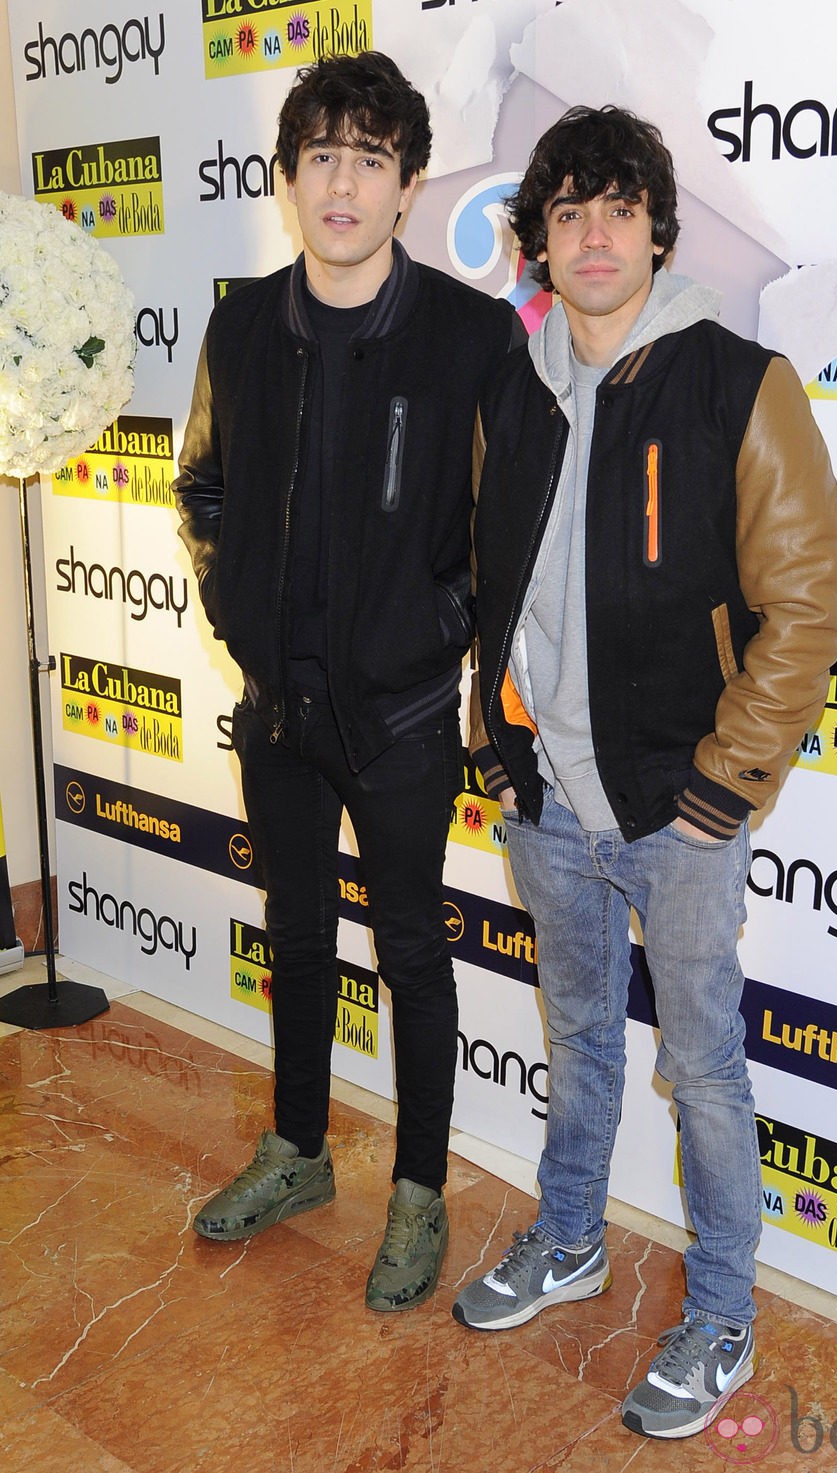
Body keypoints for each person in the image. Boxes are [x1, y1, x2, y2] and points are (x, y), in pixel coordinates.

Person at [452, 105, 837, 1436]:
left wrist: (719, 787)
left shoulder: (738, 383)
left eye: (620, 206)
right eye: (569, 211)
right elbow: (490, 584)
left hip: (682, 813)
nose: (596, 233)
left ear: (658, 230)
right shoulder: (508, 391)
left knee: (707, 1073)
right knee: (575, 1043)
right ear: (541, 244)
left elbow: (808, 607)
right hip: (550, 806)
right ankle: (569, 1240)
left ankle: (722, 1311)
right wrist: (499, 749)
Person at [174, 51, 522, 1313]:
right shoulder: (241, 324)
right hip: (277, 709)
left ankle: (419, 1193)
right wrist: (235, 614)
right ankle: (297, 1151)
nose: (342, 181)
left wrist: (435, 634)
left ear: (409, 186)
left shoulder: (472, 336)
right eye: (320, 154)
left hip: (404, 719)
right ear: (285, 180)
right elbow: (204, 484)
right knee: (299, 935)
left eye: (369, 158)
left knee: (414, 951)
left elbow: (507, 531)